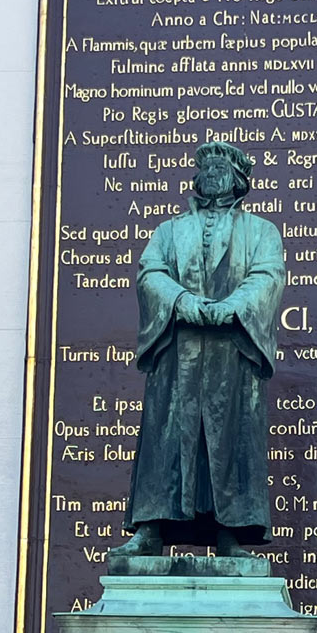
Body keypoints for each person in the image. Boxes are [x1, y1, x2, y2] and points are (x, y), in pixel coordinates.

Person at [110, 140, 285, 559]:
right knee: (166, 438)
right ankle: (150, 527)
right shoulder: (169, 231)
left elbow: (268, 275)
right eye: (204, 166)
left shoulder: (261, 231)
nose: (211, 172)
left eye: (220, 165)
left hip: (232, 354)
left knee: (231, 440)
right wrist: (182, 303)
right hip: (179, 354)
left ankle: (231, 534)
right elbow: (150, 273)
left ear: (240, 178)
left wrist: (233, 308)